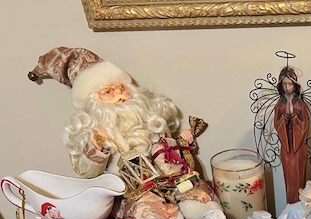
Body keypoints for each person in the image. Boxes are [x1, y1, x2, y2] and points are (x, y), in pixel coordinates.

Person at [28, 46, 193, 179]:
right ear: (94, 102)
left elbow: (167, 152)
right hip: (128, 192)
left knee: (199, 194)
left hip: (166, 181)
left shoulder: (150, 119)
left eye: (121, 88)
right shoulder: (95, 132)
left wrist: (184, 143)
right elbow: (86, 172)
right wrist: (97, 148)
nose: (119, 94)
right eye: (108, 92)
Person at [274, 66, 310, 204]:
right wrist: (284, 120)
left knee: (298, 174)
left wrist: (294, 119)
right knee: (288, 175)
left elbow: (304, 124)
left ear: (295, 85)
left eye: (290, 84)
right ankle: (290, 203)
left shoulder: (300, 104)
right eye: (284, 84)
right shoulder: (280, 104)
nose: (287, 87)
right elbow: (277, 123)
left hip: (298, 145)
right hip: (286, 146)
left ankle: (299, 203)